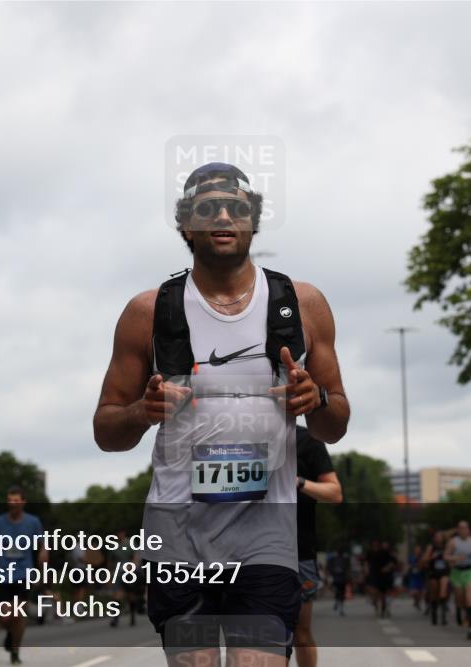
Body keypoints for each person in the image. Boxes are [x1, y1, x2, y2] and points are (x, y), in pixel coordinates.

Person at [93, 162, 350, 666]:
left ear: (253, 221)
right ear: (186, 225)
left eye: (237, 207)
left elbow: (335, 422)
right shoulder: (150, 311)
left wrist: (314, 399)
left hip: (267, 538)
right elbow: (106, 429)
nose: (224, 216)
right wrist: (142, 413)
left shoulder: (303, 304)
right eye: (208, 208)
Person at [293, 426, 342, 667]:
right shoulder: (240, 437)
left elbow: (335, 493)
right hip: (247, 550)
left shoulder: (308, 440)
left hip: (298, 551)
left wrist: (299, 482)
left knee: (300, 634)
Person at [0, 486, 47, 665]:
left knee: (18, 614)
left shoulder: (33, 522)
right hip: (2, 575)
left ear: (23, 502)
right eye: (10, 500)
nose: (13, 504)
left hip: (23, 574)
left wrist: (43, 553)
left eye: (16, 500)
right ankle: (10, 633)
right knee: (4, 617)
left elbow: (42, 542)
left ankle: (15, 652)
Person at [445, 521, 471, 639]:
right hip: (457, 573)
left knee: (470, 600)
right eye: (460, 528)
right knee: (461, 602)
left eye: (465, 528)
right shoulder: (453, 542)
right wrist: (456, 557)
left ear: (469, 530)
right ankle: (464, 613)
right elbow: (446, 556)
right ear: (457, 530)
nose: (463, 530)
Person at [423, 531, 451, 625]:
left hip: (444, 572)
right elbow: (424, 560)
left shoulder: (447, 547)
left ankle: (443, 615)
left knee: (443, 592)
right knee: (434, 594)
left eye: (440, 536)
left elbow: (451, 558)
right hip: (433, 572)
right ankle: (434, 612)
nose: (438, 538)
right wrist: (432, 557)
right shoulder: (431, 548)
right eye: (437, 536)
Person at [329, 547, 350, 616]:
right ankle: (338, 603)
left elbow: (348, 569)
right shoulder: (334, 559)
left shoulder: (345, 559)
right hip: (336, 578)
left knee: (341, 593)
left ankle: (340, 606)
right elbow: (330, 567)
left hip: (342, 579)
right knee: (338, 592)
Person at [407, 544, 426, 612]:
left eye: (419, 549)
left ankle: (418, 602)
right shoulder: (412, 557)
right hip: (414, 576)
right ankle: (416, 601)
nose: (417, 550)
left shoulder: (423, 557)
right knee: (414, 592)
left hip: (421, 576)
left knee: (420, 591)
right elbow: (409, 565)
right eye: (416, 549)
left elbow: (424, 565)